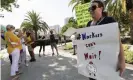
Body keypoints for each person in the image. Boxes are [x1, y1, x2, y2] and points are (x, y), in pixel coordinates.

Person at [87, 1, 125, 80]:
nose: (91, 10)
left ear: (101, 9)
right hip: (93, 65)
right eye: (89, 8)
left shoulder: (109, 20)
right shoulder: (88, 24)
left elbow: (118, 41)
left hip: (108, 65)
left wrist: (121, 60)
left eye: (93, 7)